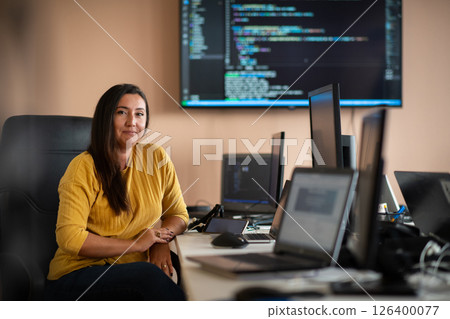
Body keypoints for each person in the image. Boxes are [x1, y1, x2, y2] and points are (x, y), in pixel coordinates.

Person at [45, 84, 189, 300]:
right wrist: (137, 244)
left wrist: (160, 239)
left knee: (184, 270)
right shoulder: (83, 167)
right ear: (106, 118)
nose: (132, 122)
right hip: (77, 276)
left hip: (131, 272)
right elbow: (70, 238)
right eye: (122, 112)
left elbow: (179, 215)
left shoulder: (156, 157)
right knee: (148, 277)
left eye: (139, 114)